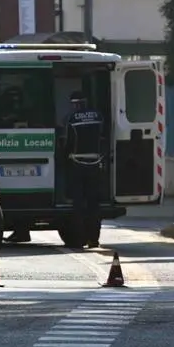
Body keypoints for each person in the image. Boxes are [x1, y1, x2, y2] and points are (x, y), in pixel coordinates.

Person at [60, 90, 106, 249]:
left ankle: (79, 239)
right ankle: (94, 239)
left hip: (77, 164)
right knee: (94, 204)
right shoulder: (98, 116)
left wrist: (64, 156)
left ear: (74, 104)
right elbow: (103, 137)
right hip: (95, 163)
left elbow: (67, 142)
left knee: (78, 204)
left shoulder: (71, 119)